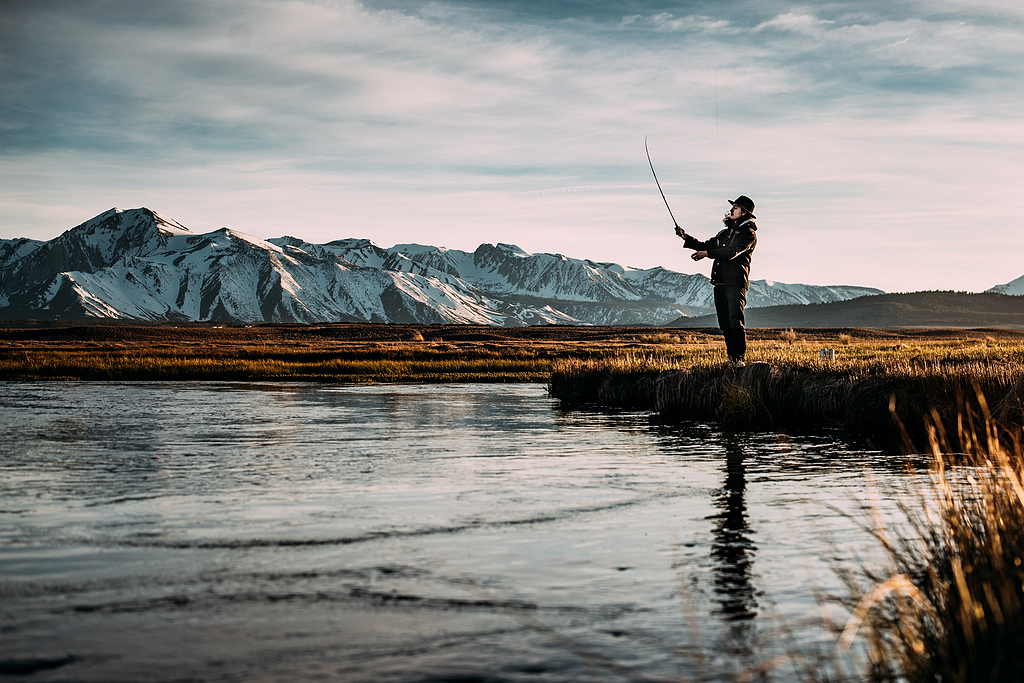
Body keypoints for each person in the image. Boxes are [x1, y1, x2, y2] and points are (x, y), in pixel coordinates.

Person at [675, 196, 758, 368]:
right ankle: (731, 358)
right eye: (732, 207)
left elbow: (731, 252)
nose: (731, 210)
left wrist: (706, 254)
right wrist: (685, 237)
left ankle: (740, 359)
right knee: (725, 323)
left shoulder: (748, 234)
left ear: (744, 212)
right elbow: (705, 244)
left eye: (736, 207)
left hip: (735, 283)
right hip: (720, 282)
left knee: (736, 321)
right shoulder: (724, 233)